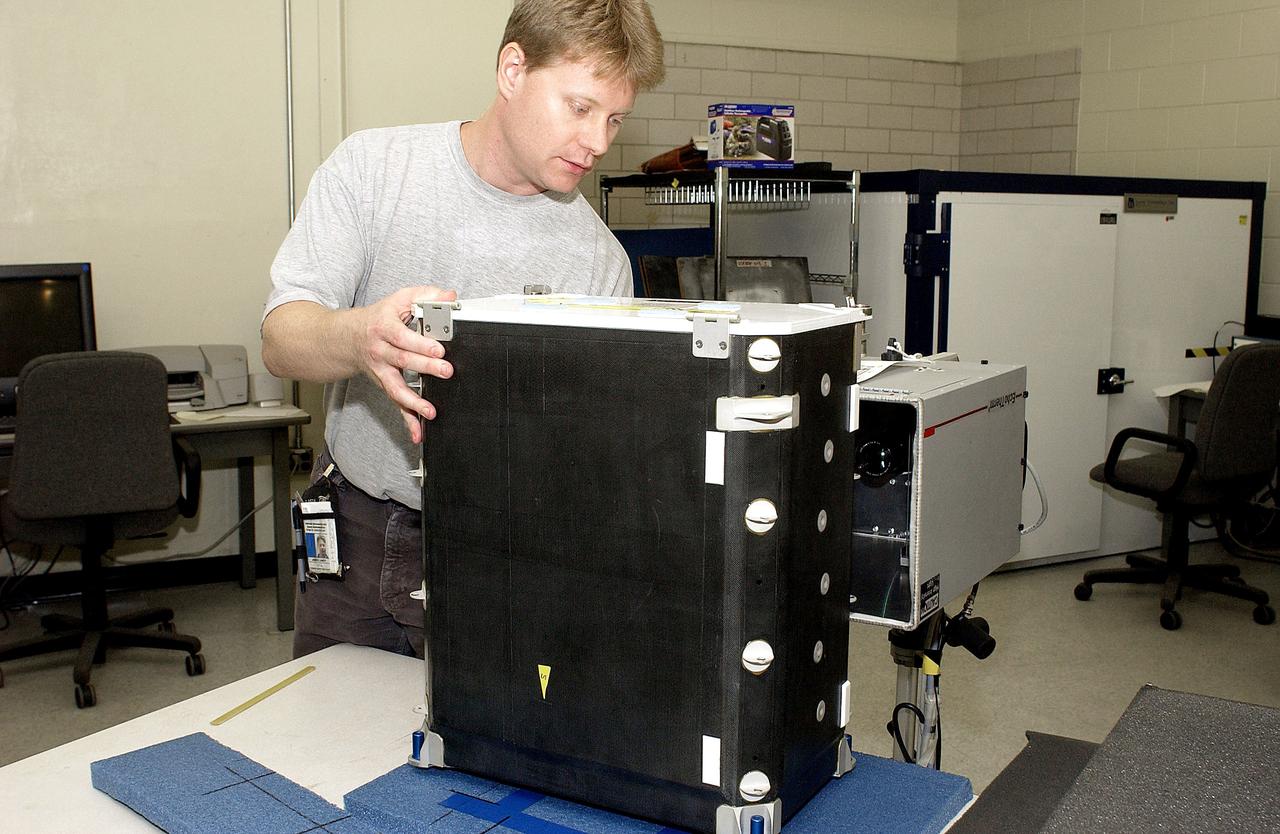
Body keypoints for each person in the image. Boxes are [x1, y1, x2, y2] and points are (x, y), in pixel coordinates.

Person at [261, 0, 665, 658]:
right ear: (513, 70)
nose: (600, 142)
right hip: (358, 535)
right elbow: (280, 339)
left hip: (507, 552)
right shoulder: (374, 171)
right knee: (327, 746)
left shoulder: (600, 262)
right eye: (581, 107)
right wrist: (360, 338)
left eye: (615, 118)